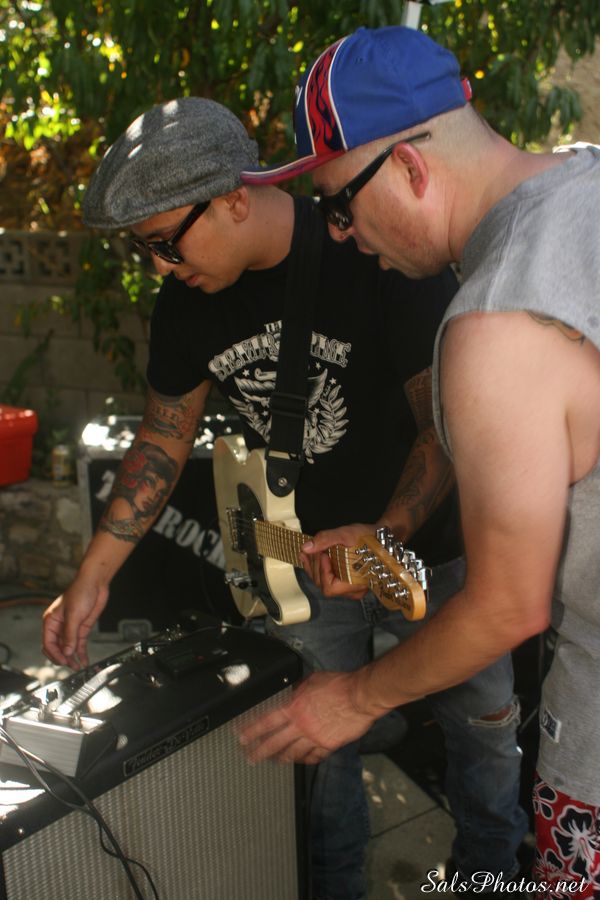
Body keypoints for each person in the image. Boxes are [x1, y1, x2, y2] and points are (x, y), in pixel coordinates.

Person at [41, 97, 528, 899]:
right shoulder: (186, 303)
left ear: (233, 198)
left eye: (164, 242)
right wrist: (94, 573)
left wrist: (387, 531)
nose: (159, 266)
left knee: (482, 740)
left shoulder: (371, 249)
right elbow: (163, 437)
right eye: (144, 249)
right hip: (304, 562)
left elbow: (446, 428)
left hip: (437, 555)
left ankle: (492, 880)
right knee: (314, 758)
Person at [238, 24, 600, 894]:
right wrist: (390, 539)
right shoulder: (587, 179)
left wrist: (353, 698)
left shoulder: (495, 323)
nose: (341, 235)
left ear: (408, 166)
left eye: (338, 204)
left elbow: (507, 603)